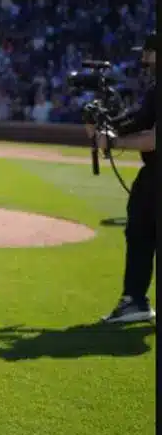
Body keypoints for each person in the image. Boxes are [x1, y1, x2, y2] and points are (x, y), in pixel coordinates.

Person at [98, 32, 157, 324]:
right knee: (139, 232)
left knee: (144, 232)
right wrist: (110, 124)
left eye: (148, 54)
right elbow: (141, 118)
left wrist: (114, 142)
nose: (144, 60)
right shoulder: (156, 89)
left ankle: (135, 300)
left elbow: (154, 139)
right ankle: (134, 300)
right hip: (153, 178)